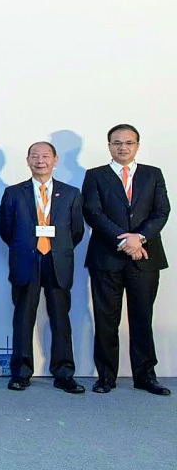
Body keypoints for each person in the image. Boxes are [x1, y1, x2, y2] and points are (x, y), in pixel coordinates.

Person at [82, 124, 170, 396]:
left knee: (142, 318)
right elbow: (93, 213)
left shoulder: (152, 174)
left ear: (137, 146)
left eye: (129, 143)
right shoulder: (95, 175)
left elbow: (162, 211)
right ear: (108, 145)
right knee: (106, 319)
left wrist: (139, 238)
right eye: (117, 142)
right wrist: (124, 240)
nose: (123, 147)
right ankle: (106, 376)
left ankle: (145, 376)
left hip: (145, 257)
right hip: (106, 257)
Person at [0, 141, 85, 394]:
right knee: (23, 318)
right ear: (27, 160)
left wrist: (57, 247)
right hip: (27, 260)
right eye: (35, 156)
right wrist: (28, 245)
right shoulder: (14, 193)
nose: (40, 160)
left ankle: (64, 373)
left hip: (57, 261)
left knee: (61, 319)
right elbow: (6, 230)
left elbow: (76, 231)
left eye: (46, 156)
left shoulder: (70, 193)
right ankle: (21, 372)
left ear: (55, 160)